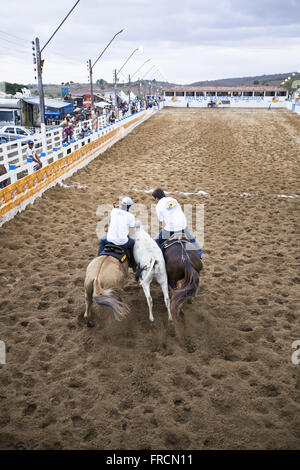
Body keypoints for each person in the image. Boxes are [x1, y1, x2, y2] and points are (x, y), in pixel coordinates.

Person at [152, 188, 203, 259]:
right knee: (191, 238)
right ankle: (200, 253)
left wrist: (165, 233)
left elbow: (162, 222)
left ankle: (162, 259)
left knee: (157, 241)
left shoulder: (158, 206)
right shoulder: (173, 199)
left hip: (171, 228)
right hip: (182, 224)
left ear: (157, 198)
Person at [97, 196, 136, 270]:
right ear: (130, 206)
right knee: (132, 243)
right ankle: (133, 264)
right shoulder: (131, 216)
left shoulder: (114, 211)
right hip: (122, 242)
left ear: (122, 204)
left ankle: (99, 258)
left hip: (109, 239)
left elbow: (109, 222)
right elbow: (131, 234)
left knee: (102, 241)